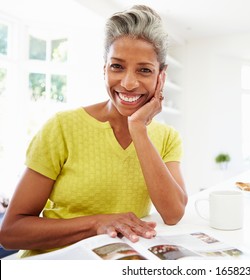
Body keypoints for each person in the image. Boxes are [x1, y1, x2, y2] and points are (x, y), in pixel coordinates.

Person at [0, 5, 187, 258]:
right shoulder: (62, 127)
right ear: (104, 69)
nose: (128, 83)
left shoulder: (166, 137)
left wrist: (138, 130)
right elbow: (11, 231)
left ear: (161, 78)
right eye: (117, 67)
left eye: (144, 70)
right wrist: (96, 223)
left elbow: (173, 213)